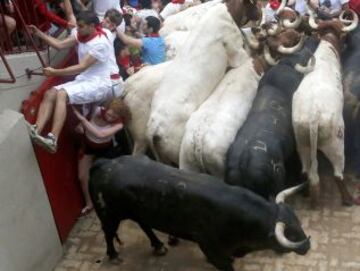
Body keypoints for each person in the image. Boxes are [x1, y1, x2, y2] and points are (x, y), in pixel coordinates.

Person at [27, 11, 112, 153]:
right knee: (50, 93)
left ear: (92, 26)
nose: (77, 29)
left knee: (61, 94)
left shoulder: (101, 44)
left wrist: (54, 72)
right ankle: (36, 129)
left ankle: (52, 139)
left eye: (81, 26)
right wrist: (39, 33)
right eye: (77, 26)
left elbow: (82, 66)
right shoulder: (81, 35)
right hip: (85, 80)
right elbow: (59, 45)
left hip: (99, 84)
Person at [72, 97, 131, 215]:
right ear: (106, 108)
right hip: (88, 147)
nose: (110, 117)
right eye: (110, 113)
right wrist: (80, 125)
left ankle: (119, 201)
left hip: (106, 149)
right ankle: (90, 203)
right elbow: (85, 116)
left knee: (111, 176)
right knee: (82, 176)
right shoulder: (96, 109)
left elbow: (101, 134)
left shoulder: (119, 124)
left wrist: (82, 121)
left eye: (114, 117)